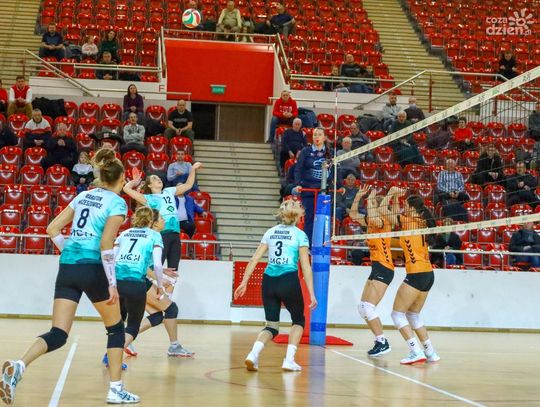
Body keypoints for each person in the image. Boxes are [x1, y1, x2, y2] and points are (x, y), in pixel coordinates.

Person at [0, 148, 139, 404]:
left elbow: (52, 228)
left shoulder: (83, 195)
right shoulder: (117, 203)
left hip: (67, 267)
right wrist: (111, 283)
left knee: (58, 333)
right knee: (116, 329)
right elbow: (106, 244)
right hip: (92, 267)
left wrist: (71, 253)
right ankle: (115, 389)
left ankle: (19, 365)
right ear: (121, 180)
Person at [234, 199, 317, 371]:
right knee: (298, 321)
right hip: (288, 279)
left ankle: (253, 354)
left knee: (271, 326)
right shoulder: (300, 235)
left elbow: (254, 259)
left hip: (269, 281)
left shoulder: (270, 232)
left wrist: (244, 282)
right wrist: (312, 293)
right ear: (298, 215)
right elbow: (305, 266)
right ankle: (289, 360)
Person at [123, 208, 194, 358]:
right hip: (137, 280)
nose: (164, 220)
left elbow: (138, 261)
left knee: (156, 316)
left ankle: (123, 339)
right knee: (171, 309)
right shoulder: (154, 236)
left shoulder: (129, 233)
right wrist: (160, 282)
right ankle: (174, 346)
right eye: (161, 218)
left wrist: (162, 271)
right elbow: (145, 265)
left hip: (122, 280)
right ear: (153, 223)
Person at [350, 186, 402, 356]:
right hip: (376, 267)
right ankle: (380, 341)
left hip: (385, 268)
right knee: (362, 308)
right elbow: (353, 214)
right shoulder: (371, 221)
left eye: (372, 204)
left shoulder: (382, 222)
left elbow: (373, 216)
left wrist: (372, 198)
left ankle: (382, 342)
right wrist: (358, 196)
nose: (369, 205)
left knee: (368, 307)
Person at [111, 207, 165, 367]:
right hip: (136, 283)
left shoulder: (124, 233)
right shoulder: (154, 235)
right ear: (151, 220)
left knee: (117, 324)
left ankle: (111, 356)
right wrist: (160, 285)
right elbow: (157, 265)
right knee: (133, 326)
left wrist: (110, 282)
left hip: (117, 283)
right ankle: (112, 356)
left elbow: (111, 258)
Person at [123, 162, 202, 270]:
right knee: (156, 267)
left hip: (176, 234)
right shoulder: (148, 198)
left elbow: (188, 185)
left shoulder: (169, 191)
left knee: (173, 270)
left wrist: (192, 170)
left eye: (159, 178)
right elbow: (126, 189)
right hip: (161, 235)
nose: (158, 179)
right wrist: (135, 182)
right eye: (154, 178)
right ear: (149, 185)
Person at [391, 194, 440, 365]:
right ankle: (431, 353)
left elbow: (390, 214)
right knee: (413, 315)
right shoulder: (423, 222)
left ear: (412, 208)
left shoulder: (409, 222)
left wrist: (393, 194)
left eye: (405, 205)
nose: (403, 207)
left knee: (397, 315)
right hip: (428, 274)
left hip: (416, 273)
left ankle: (415, 351)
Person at [293, 128, 334, 244]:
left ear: (324, 138)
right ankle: (308, 245)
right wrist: (298, 184)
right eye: (315, 134)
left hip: (325, 190)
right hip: (309, 189)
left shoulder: (330, 153)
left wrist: (340, 185)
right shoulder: (306, 151)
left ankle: (323, 244)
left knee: (324, 218)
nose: (317, 137)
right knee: (309, 218)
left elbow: (336, 170)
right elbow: (298, 169)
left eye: (319, 135)